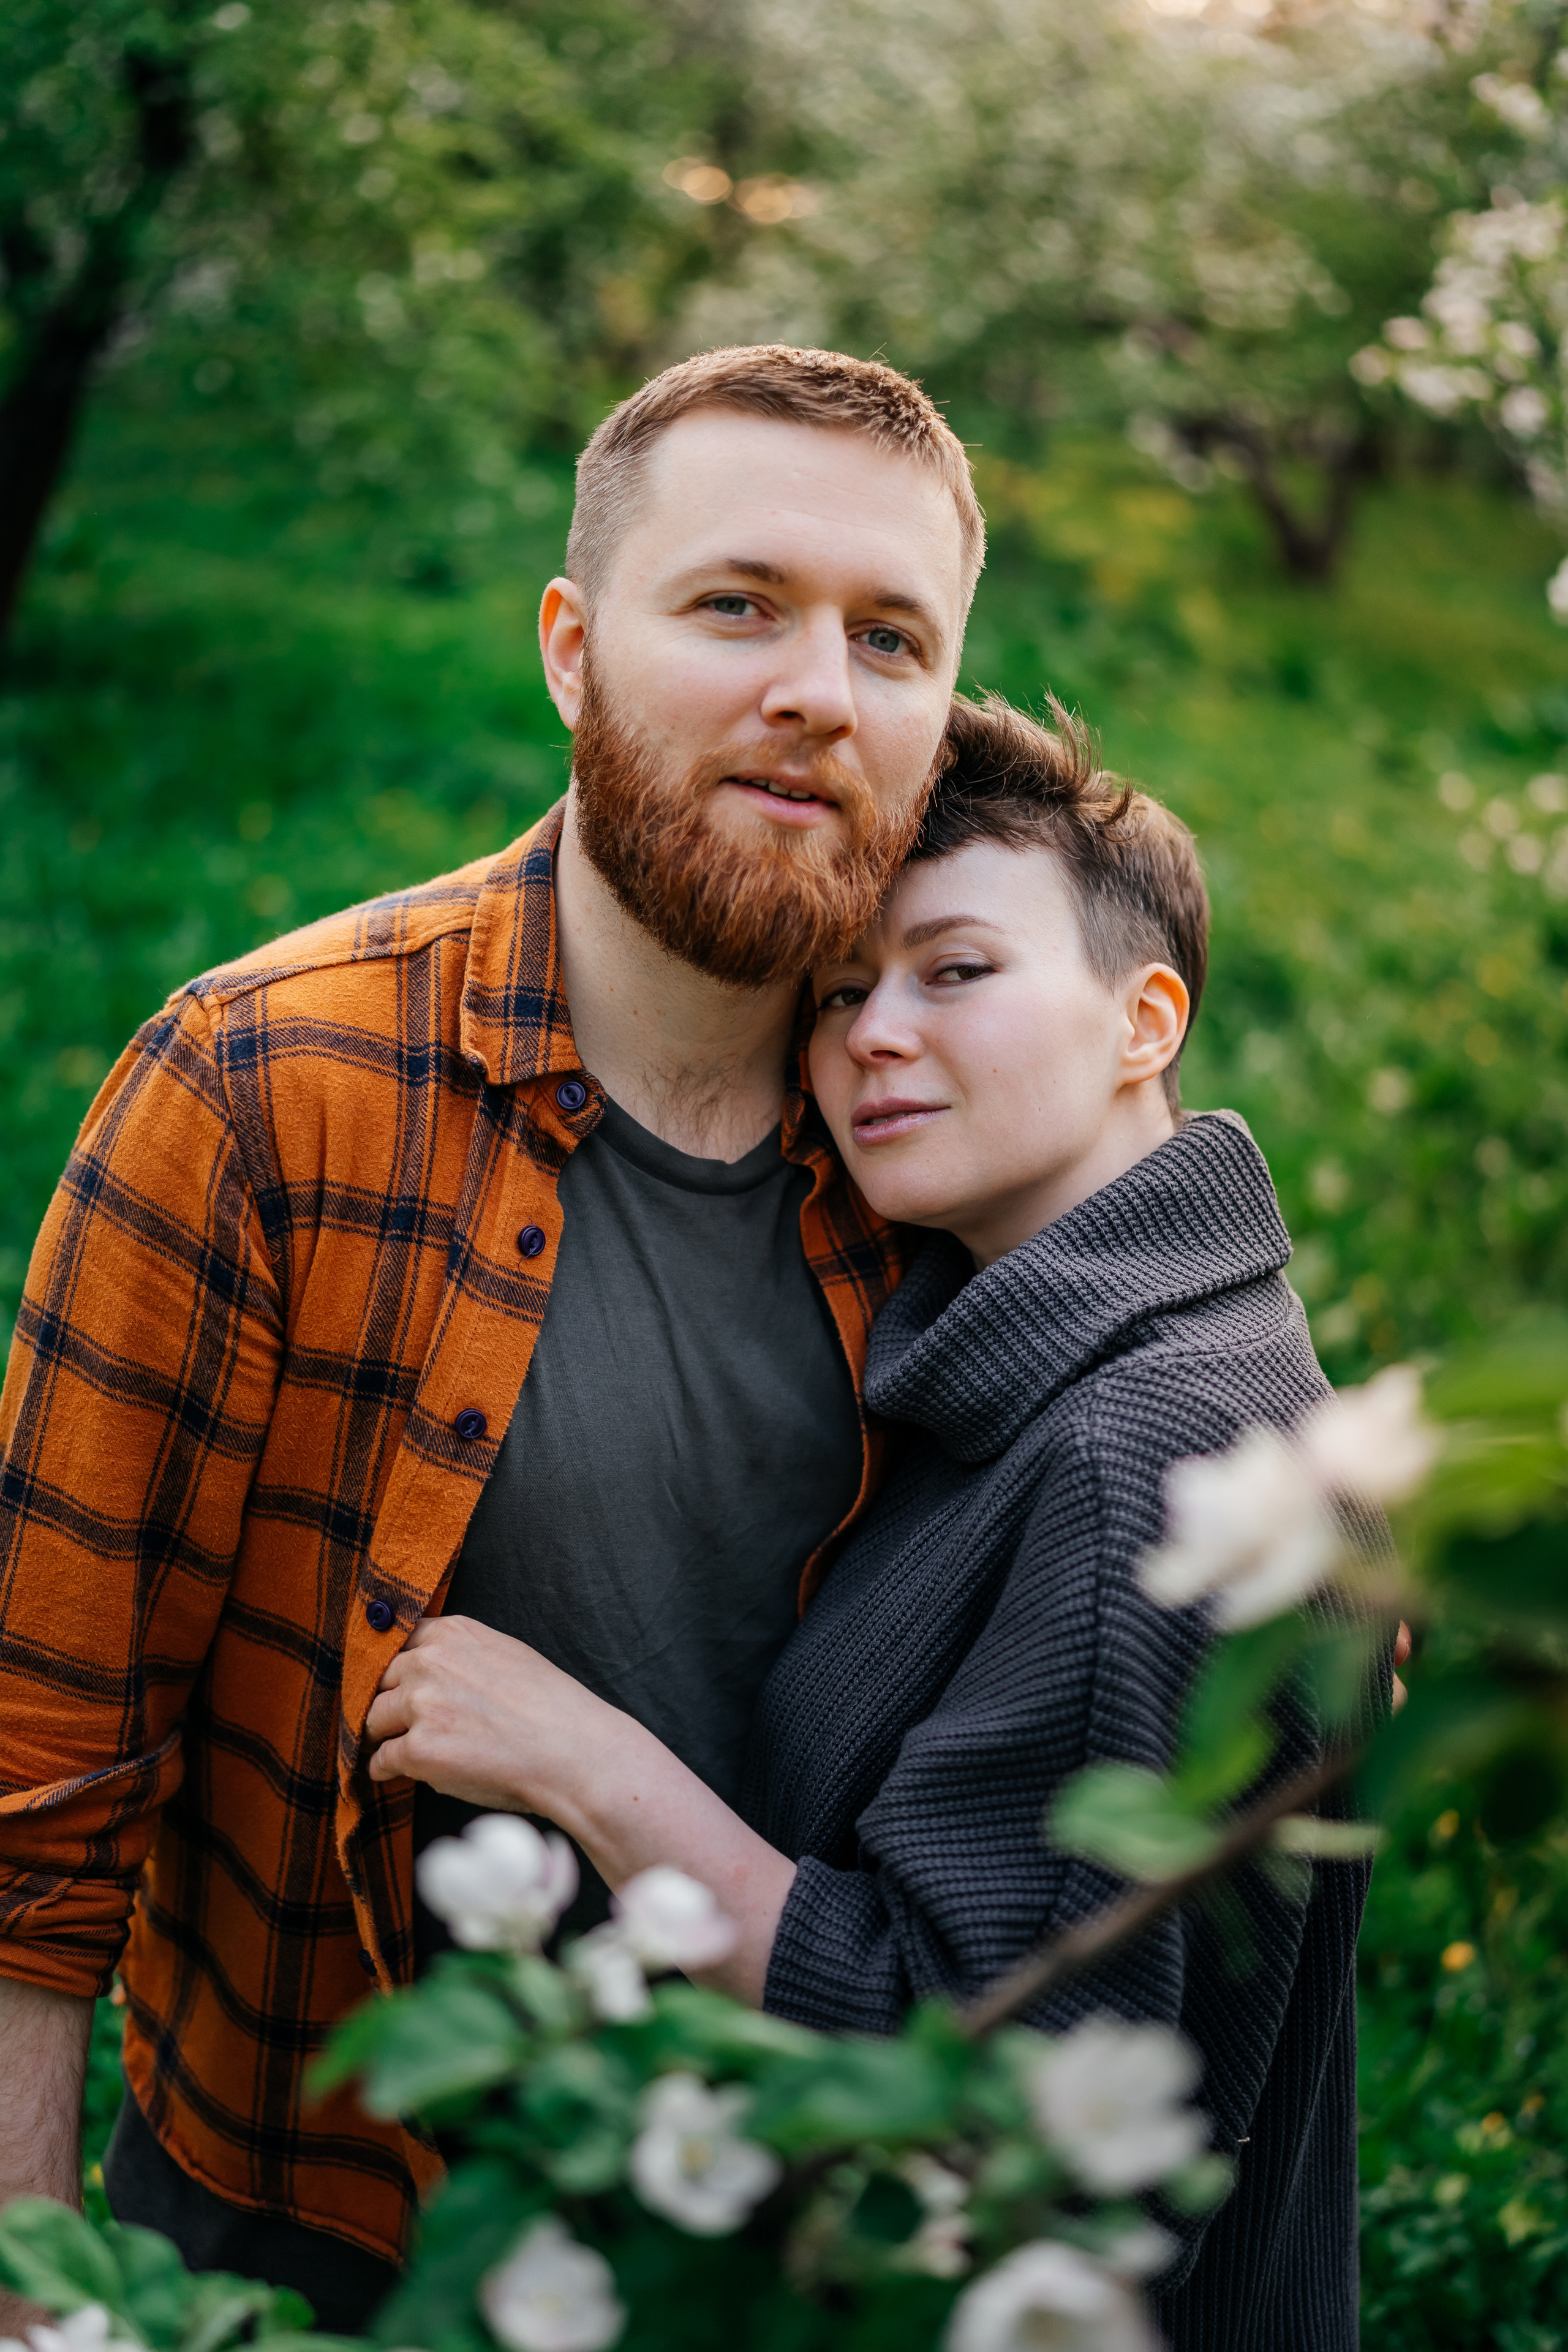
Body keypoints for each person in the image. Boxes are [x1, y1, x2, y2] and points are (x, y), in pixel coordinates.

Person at [0, 344, 983, 2330]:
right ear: (568, 647)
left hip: (794, 2265)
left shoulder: (964, 1162)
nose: (820, 686)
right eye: (737, 605)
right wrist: (31, 2303)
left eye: (894, 638)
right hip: (319, 2259)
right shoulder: (266, 1091)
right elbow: (32, 1793)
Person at [368, 695, 1376, 2349]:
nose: (871, 1038)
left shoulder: (1144, 1450)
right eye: (841, 993)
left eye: (956, 971)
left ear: (1146, 1021)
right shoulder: (1114, 1356)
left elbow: (977, 2079)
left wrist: (580, 1765)